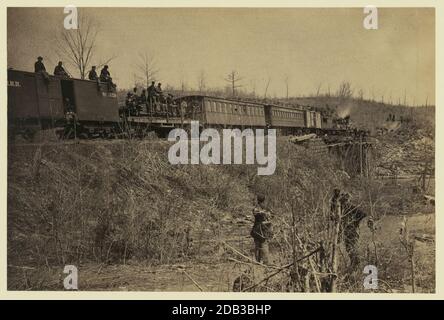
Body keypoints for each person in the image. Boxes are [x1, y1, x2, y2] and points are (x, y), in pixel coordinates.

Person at [340, 193, 367, 269]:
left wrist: (355, 222)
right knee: (348, 248)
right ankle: (353, 264)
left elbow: (363, 214)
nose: (344, 202)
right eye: (343, 201)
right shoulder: (341, 209)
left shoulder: (351, 208)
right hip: (346, 231)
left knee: (352, 248)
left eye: (345, 200)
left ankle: (356, 265)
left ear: (348, 200)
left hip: (352, 231)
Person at [250, 195, 273, 264]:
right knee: (263, 244)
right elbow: (270, 216)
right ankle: (265, 262)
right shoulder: (261, 209)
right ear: (264, 201)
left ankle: (258, 261)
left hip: (257, 229)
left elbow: (271, 215)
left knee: (258, 244)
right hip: (261, 229)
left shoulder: (260, 208)